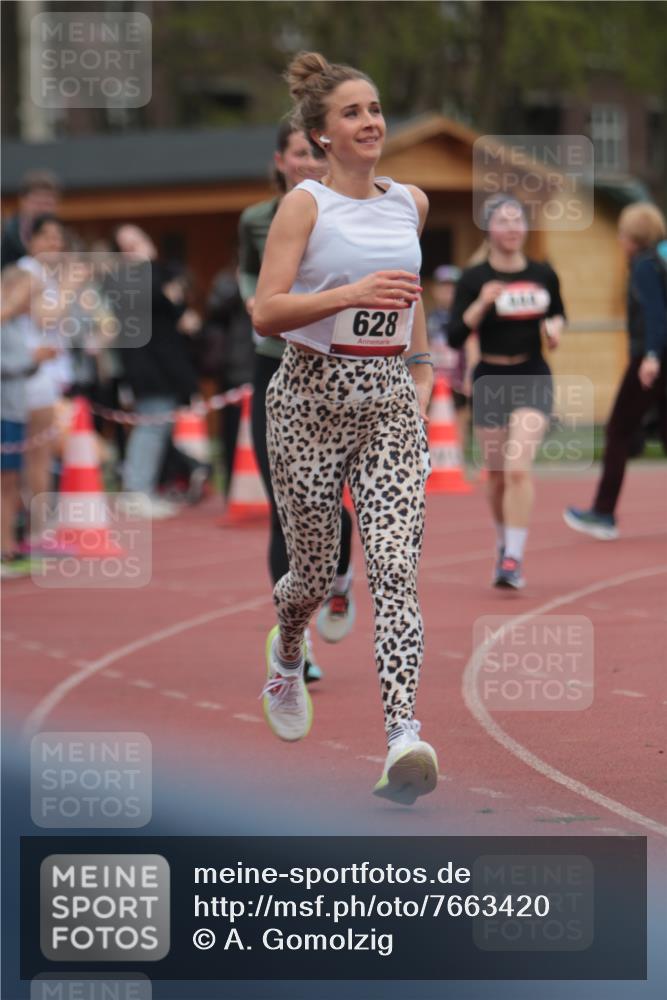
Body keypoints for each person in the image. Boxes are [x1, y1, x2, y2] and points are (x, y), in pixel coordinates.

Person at [252, 51, 438, 804]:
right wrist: (347, 294)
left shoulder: (410, 202)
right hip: (306, 405)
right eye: (352, 113)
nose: (371, 122)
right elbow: (265, 311)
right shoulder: (304, 205)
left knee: (394, 568)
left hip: (388, 406)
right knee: (314, 571)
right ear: (322, 136)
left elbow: (409, 292)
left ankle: (403, 740)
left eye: (375, 109)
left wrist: (418, 371)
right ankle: (287, 646)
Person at [239, 120, 356, 682]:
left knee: (334, 508)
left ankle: (339, 579)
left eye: (316, 154)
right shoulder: (258, 220)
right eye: (297, 154)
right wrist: (254, 299)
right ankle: (297, 640)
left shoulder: (353, 212)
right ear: (280, 160)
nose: (308, 163)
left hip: (339, 370)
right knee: (286, 513)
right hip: (275, 367)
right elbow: (248, 273)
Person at [449, 194, 566, 589]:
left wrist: (555, 331)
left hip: (532, 374)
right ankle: (503, 545)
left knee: (518, 469)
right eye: (504, 220)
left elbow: (558, 314)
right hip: (490, 379)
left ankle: (514, 559)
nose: (513, 227)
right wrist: (481, 304)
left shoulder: (542, 273)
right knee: (497, 476)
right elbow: (454, 334)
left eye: (519, 220)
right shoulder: (474, 278)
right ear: (489, 228)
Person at [564, 202, 667, 539]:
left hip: (650, 361)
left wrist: (651, 355)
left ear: (633, 237)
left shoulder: (644, 266)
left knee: (618, 431)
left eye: (622, 233)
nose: (620, 239)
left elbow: (655, 314)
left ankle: (604, 513)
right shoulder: (659, 261)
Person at [113, 225, 200, 519]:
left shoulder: (159, 276)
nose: (136, 250)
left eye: (139, 241)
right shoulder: (130, 280)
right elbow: (157, 300)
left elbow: (176, 308)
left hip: (163, 368)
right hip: (147, 369)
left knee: (156, 428)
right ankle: (137, 492)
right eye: (127, 247)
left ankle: (142, 489)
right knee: (150, 429)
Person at [427, 264, 477, 453]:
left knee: (459, 423)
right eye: (443, 286)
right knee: (430, 420)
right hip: (434, 380)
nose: (448, 291)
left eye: (452, 287)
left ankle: (458, 466)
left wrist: (470, 374)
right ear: (435, 290)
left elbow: (472, 345)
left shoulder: (464, 316)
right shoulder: (430, 317)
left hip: (456, 379)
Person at [1, 170, 61, 270]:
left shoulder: (63, 237)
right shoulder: (5, 234)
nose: (42, 209)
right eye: (37, 203)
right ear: (23, 201)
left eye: (48, 204)